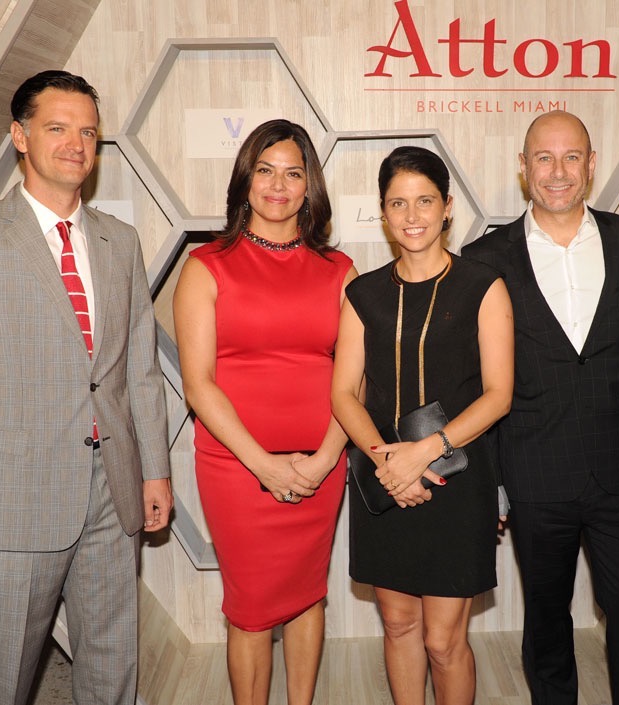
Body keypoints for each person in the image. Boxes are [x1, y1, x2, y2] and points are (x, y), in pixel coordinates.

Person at [0, 70, 172, 705]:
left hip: (113, 493)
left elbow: (137, 369)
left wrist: (155, 471)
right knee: (4, 674)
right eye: (57, 128)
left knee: (112, 660)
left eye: (88, 131)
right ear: (19, 137)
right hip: (13, 502)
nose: (76, 145)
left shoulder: (121, 242)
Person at [461, 110, 619, 705]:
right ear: (523, 168)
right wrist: (491, 481)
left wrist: (611, 382)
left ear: (592, 165)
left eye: (571, 157)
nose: (557, 171)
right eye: (543, 158)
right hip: (534, 469)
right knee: (547, 619)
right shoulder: (484, 256)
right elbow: (479, 374)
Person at [173, 119, 355, 705]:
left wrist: (327, 457)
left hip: (321, 466)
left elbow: (354, 378)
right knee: (251, 609)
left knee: (308, 594)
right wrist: (265, 466)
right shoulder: (206, 266)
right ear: (245, 180)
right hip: (235, 468)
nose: (278, 185)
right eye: (265, 170)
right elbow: (199, 385)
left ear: (310, 187)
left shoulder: (339, 270)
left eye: (293, 173)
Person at [331, 146, 514, 705]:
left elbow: (499, 395)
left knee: (443, 639)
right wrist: (389, 460)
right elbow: (343, 393)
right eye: (398, 203)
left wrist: (423, 452)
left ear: (448, 208)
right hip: (383, 478)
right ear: (383, 213)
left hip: (457, 481)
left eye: (425, 201)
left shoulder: (484, 285)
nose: (413, 216)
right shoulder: (361, 293)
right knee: (399, 626)